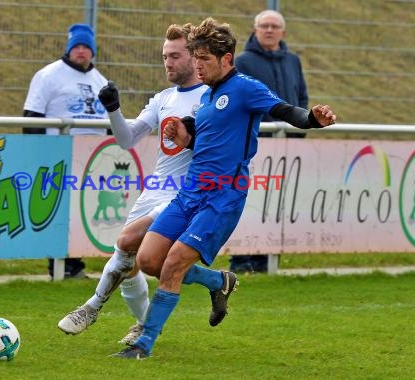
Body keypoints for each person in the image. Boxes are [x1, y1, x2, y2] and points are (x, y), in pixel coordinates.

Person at [112, 17, 336, 359]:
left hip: (222, 196)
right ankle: (219, 282)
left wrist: (312, 120)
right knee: (148, 259)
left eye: (203, 60)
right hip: (190, 192)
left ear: (226, 59)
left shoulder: (246, 88)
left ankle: (143, 346)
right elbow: (204, 139)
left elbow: (284, 110)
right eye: (195, 58)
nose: (197, 66)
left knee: (172, 266)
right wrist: (183, 135)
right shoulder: (208, 96)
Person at [57, 23, 239, 345]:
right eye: (164, 56)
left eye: (175, 56)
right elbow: (127, 138)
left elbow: (221, 147)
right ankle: (204, 287)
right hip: (154, 190)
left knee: (127, 242)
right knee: (134, 265)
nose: (167, 63)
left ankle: (91, 308)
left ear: (194, 56)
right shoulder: (163, 99)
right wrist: (113, 109)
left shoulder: (212, 98)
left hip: (185, 193)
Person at [22, 23, 109, 279]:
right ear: (69, 49)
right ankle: (59, 266)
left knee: (80, 212)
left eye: (86, 47)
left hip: (92, 158)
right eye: (77, 47)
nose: (81, 52)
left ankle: (74, 265)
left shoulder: (100, 81)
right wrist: (39, 154)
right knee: (59, 210)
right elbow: (32, 116)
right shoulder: (49, 75)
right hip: (59, 155)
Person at [231, 9, 309, 273]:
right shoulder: (243, 62)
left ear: (283, 32)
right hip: (257, 145)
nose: (269, 30)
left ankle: (266, 260)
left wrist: (299, 132)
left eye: (274, 26)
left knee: (276, 202)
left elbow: (302, 98)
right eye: (264, 25)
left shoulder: (293, 61)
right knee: (251, 201)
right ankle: (242, 259)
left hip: (288, 146)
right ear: (255, 30)